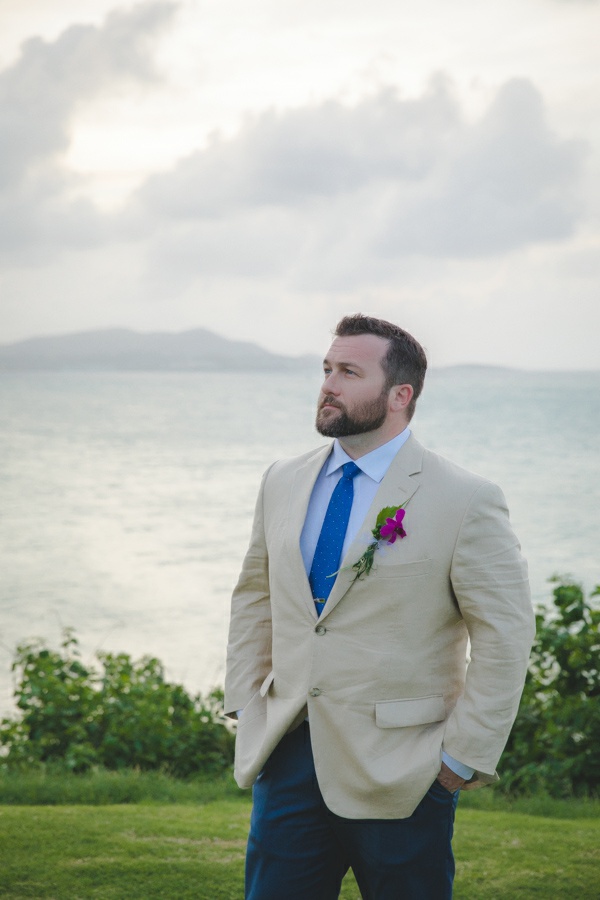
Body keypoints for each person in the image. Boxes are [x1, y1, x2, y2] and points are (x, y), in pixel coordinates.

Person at [225, 314, 535, 899]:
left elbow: (505, 636)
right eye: (326, 369)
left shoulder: (464, 498)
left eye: (348, 371)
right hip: (289, 756)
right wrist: (246, 702)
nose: (328, 385)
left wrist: (459, 761)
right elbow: (255, 595)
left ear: (400, 394)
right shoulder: (282, 480)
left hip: (406, 771)